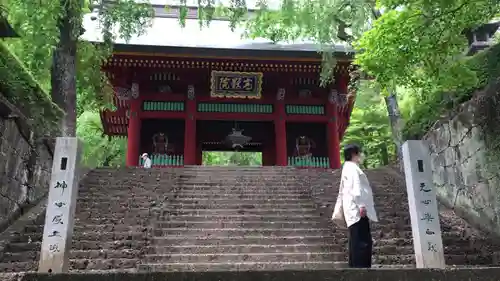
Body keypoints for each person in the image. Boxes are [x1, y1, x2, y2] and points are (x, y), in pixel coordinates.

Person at [338, 144, 378, 268]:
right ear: (353, 154)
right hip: (356, 209)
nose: (360, 156)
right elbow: (355, 187)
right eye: (358, 153)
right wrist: (361, 205)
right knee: (362, 240)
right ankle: (361, 268)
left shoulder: (347, 168)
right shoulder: (352, 168)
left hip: (352, 209)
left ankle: (355, 267)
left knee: (356, 239)